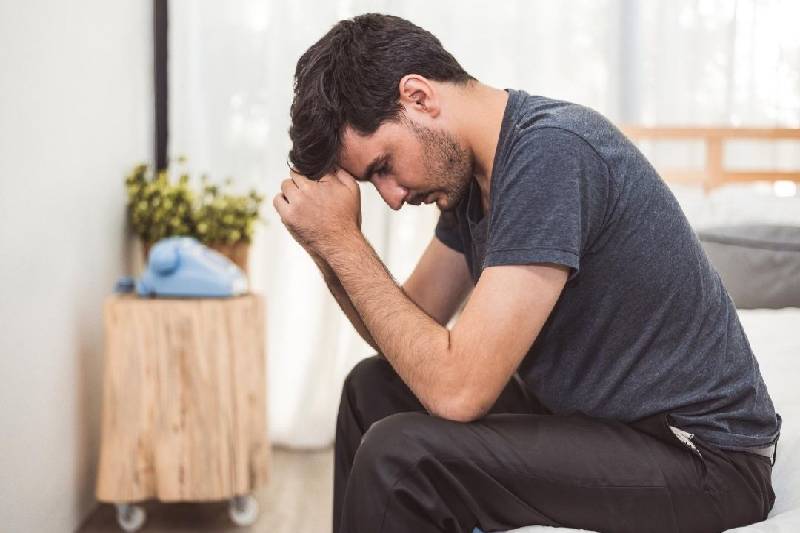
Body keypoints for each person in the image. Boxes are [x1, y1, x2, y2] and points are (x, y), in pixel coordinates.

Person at [272, 13, 780, 533]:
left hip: (702, 460)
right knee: (371, 389)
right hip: (597, 424)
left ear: (419, 97)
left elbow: (457, 393)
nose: (394, 197)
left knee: (401, 456)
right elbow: (407, 329)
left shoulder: (550, 153)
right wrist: (326, 244)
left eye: (383, 165)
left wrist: (344, 241)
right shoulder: (472, 181)